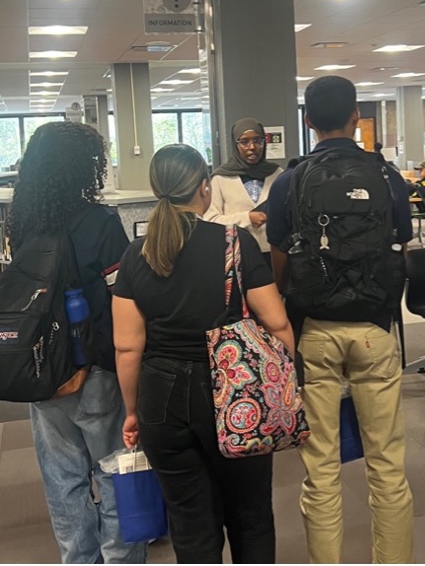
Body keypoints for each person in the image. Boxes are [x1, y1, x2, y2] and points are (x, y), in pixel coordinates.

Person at [113, 143, 294, 564]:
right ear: (204, 187)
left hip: (161, 398)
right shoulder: (235, 242)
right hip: (236, 393)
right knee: (250, 515)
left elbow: (127, 346)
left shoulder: (137, 253)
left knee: (190, 521)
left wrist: (132, 411)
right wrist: (283, 383)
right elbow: (277, 323)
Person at [266, 76, 414, 564]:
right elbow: (402, 242)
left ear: (308, 120)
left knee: (321, 470)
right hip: (375, 328)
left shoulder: (288, 182)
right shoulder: (387, 176)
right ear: (356, 117)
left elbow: (280, 258)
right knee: (387, 465)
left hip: (314, 330)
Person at [6, 121, 146, 565]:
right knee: (115, 472)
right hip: (96, 370)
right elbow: (123, 300)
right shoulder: (100, 222)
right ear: (86, 167)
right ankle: (120, 559)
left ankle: (78, 559)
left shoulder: (23, 222)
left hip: (42, 369)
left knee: (62, 480)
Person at [205, 118, 282, 264]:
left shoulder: (277, 174)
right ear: (235, 145)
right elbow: (211, 220)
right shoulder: (221, 178)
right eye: (244, 142)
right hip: (237, 254)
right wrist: (247, 218)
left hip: (274, 253)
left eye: (257, 141)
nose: (252, 147)